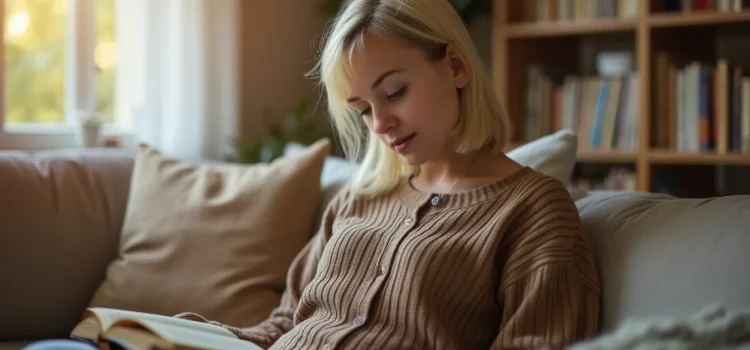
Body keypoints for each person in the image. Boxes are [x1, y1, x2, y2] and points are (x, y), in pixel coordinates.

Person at [174, 1, 602, 349]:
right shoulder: (357, 198)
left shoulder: (532, 209)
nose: (379, 124)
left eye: (395, 92)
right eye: (362, 110)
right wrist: (189, 337)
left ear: (455, 67)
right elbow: (287, 322)